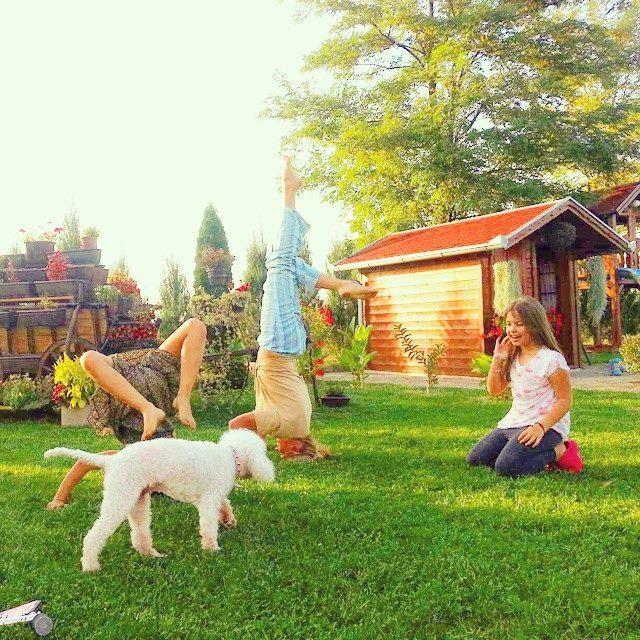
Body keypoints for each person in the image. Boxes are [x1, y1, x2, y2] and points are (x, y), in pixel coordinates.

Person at [228, 157, 376, 461]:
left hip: (288, 348)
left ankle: (339, 284)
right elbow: (236, 425)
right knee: (280, 263)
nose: (279, 451)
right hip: (278, 346)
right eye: (285, 453)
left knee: (288, 266)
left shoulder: (301, 423)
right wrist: (248, 456)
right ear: (297, 446)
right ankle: (289, 191)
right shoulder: (288, 425)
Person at [46, 317, 207, 509]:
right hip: (158, 377)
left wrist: (59, 499)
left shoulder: (128, 459)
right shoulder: (176, 459)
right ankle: (182, 398)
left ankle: (148, 408)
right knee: (195, 326)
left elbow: (84, 463)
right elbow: (205, 472)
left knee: (88, 359)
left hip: (126, 388)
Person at [467, 296, 583, 477]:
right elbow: (494, 390)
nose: (512, 330)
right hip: (514, 422)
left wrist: (540, 427)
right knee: (476, 459)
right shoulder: (513, 355)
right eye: (509, 324)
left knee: (506, 468)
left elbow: (565, 401)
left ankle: (560, 450)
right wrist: (497, 359)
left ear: (535, 325)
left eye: (519, 324)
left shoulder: (551, 360)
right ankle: (521, 453)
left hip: (545, 426)